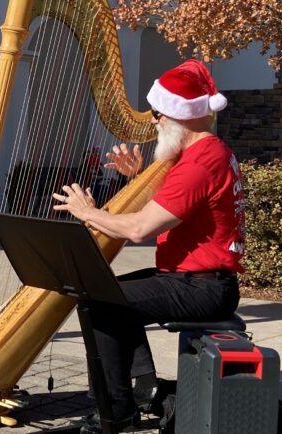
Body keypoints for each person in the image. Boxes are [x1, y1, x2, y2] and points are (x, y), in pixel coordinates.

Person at [52, 59, 246, 433]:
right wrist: (138, 177)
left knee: (100, 303)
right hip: (195, 278)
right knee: (106, 291)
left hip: (204, 287)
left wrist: (87, 211)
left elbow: (140, 228)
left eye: (157, 113)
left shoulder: (199, 163)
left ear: (179, 115)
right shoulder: (204, 154)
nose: (153, 121)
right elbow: (177, 204)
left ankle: (115, 413)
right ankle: (144, 387)